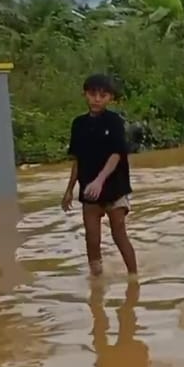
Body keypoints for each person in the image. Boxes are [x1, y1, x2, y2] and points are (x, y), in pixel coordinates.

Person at [62, 74, 138, 276]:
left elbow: (116, 154)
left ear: (110, 98)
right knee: (92, 239)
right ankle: (96, 281)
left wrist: (99, 180)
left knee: (119, 234)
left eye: (102, 95)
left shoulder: (114, 122)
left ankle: (134, 278)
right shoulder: (78, 124)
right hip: (89, 189)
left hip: (115, 187)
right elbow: (77, 160)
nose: (97, 99)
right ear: (85, 95)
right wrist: (69, 190)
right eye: (92, 94)